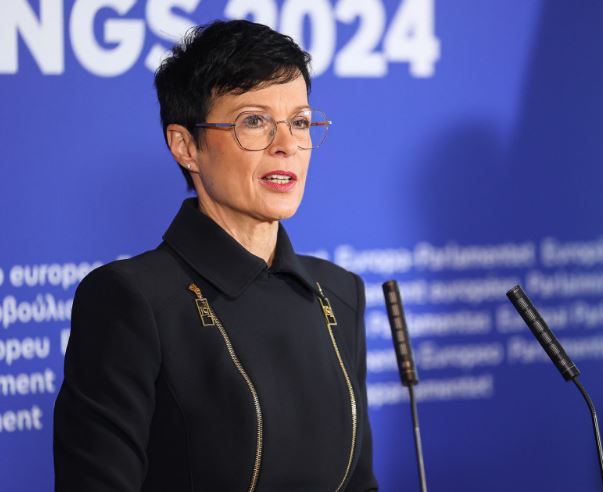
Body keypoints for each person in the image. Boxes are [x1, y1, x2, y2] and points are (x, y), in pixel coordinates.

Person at [53, 20, 378, 492]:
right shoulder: (130, 299)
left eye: (300, 122)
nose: (286, 146)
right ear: (186, 146)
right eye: (254, 121)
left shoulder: (340, 294)